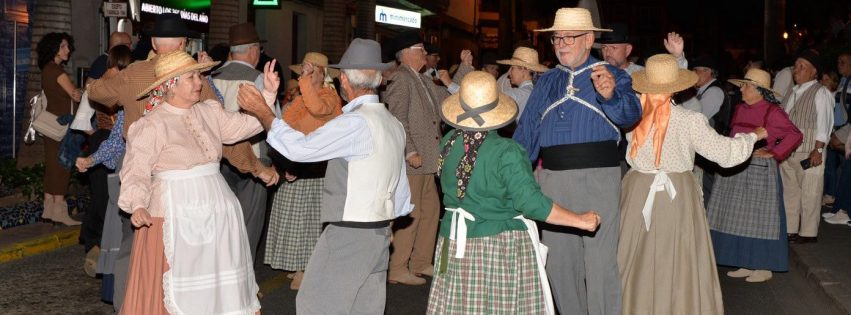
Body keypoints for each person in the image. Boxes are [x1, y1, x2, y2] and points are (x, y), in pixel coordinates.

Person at [86, 13, 276, 311]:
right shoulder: (151, 125)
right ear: (171, 85)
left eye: (199, 75)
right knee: (171, 287)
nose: (200, 82)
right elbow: (135, 168)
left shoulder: (208, 112)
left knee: (215, 292)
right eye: (193, 77)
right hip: (174, 215)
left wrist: (268, 95)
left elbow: (243, 128)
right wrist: (136, 204)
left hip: (214, 216)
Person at [237, 38, 412, 314]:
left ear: (343, 80)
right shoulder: (393, 124)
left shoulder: (354, 123)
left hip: (350, 233)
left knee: (316, 305)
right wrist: (388, 226)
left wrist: (263, 112)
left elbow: (297, 149)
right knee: (363, 308)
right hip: (379, 233)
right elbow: (401, 189)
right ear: (377, 79)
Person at [426, 70, 600, 314]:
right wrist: (580, 220)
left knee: (460, 305)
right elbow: (532, 203)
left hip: (453, 241)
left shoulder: (448, 142)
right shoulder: (507, 152)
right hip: (495, 244)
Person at [513, 8, 641, 314]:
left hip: (598, 178)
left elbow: (631, 116)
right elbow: (527, 129)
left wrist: (610, 96)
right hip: (552, 180)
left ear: (589, 39)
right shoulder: (546, 81)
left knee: (599, 264)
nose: (560, 44)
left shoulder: (614, 74)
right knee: (558, 264)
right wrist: (514, 172)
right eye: (557, 38)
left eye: (568, 37)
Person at [619, 54, 766, 314]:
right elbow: (725, 154)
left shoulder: (632, 118)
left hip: (637, 191)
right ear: (677, 87)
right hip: (676, 197)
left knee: (637, 257)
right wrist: (754, 136)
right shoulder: (689, 120)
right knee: (676, 259)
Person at [707, 68, 803, 283]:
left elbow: (795, 134)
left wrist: (775, 153)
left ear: (759, 90)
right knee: (738, 217)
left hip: (759, 172)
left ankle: (763, 266)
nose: (741, 89)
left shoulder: (772, 112)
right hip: (738, 167)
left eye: (746, 85)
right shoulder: (740, 108)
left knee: (761, 219)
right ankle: (745, 261)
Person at [265, 51, 342, 290]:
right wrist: (284, 163)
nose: (304, 76)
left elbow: (317, 109)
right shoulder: (299, 99)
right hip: (296, 165)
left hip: (316, 169)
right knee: (291, 219)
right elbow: (284, 129)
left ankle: (307, 268)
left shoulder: (330, 97)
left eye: (310, 71)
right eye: (303, 72)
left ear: (322, 74)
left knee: (308, 223)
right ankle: (299, 264)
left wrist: (305, 83)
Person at [210, 23, 280, 260]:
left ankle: (222, 274)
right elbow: (274, 123)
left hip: (217, 158)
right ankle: (244, 280)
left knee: (222, 221)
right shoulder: (261, 80)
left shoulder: (210, 77)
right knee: (248, 222)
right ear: (253, 51)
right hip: (254, 158)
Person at [385, 30, 449, 286]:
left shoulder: (420, 78)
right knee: (411, 213)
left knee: (431, 211)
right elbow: (397, 118)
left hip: (427, 160)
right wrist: (409, 150)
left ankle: (421, 261)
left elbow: (447, 103)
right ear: (407, 53)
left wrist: (461, 73)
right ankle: (398, 266)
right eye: (421, 49)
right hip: (414, 159)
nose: (426, 53)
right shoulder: (402, 78)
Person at [76, 44, 132, 278]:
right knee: (102, 199)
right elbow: (81, 121)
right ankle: (95, 247)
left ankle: (110, 251)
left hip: (122, 147)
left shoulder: (130, 86)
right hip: (106, 144)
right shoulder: (98, 85)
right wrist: (99, 136)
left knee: (116, 203)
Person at [781, 50, 834, 243]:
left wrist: (818, 149)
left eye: (802, 66)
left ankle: (809, 233)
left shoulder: (821, 92)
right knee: (790, 191)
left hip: (809, 149)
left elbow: (825, 123)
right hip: (789, 150)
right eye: (796, 66)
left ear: (814, 72)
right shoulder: (791, 91)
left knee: (811, 191)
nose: (797, 70)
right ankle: (790, 228)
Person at [36, 32, 81, 226]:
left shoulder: (46, 69)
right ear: (54, 48)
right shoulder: (58, 72)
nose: (67, 50)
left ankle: (48, 210)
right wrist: (81, 91)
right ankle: (60, 211)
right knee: (62, 166)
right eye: (63, 46)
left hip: (50, 124)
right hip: (62, 124)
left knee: (52, 166)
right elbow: (75, 95)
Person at [596, 23, 688, 75]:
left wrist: (677, 56)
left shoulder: (642, 74)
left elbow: (674, 82)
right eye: (604, 47)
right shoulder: (595, 72)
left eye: (613, 47)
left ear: (627, 50)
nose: (607, 52)